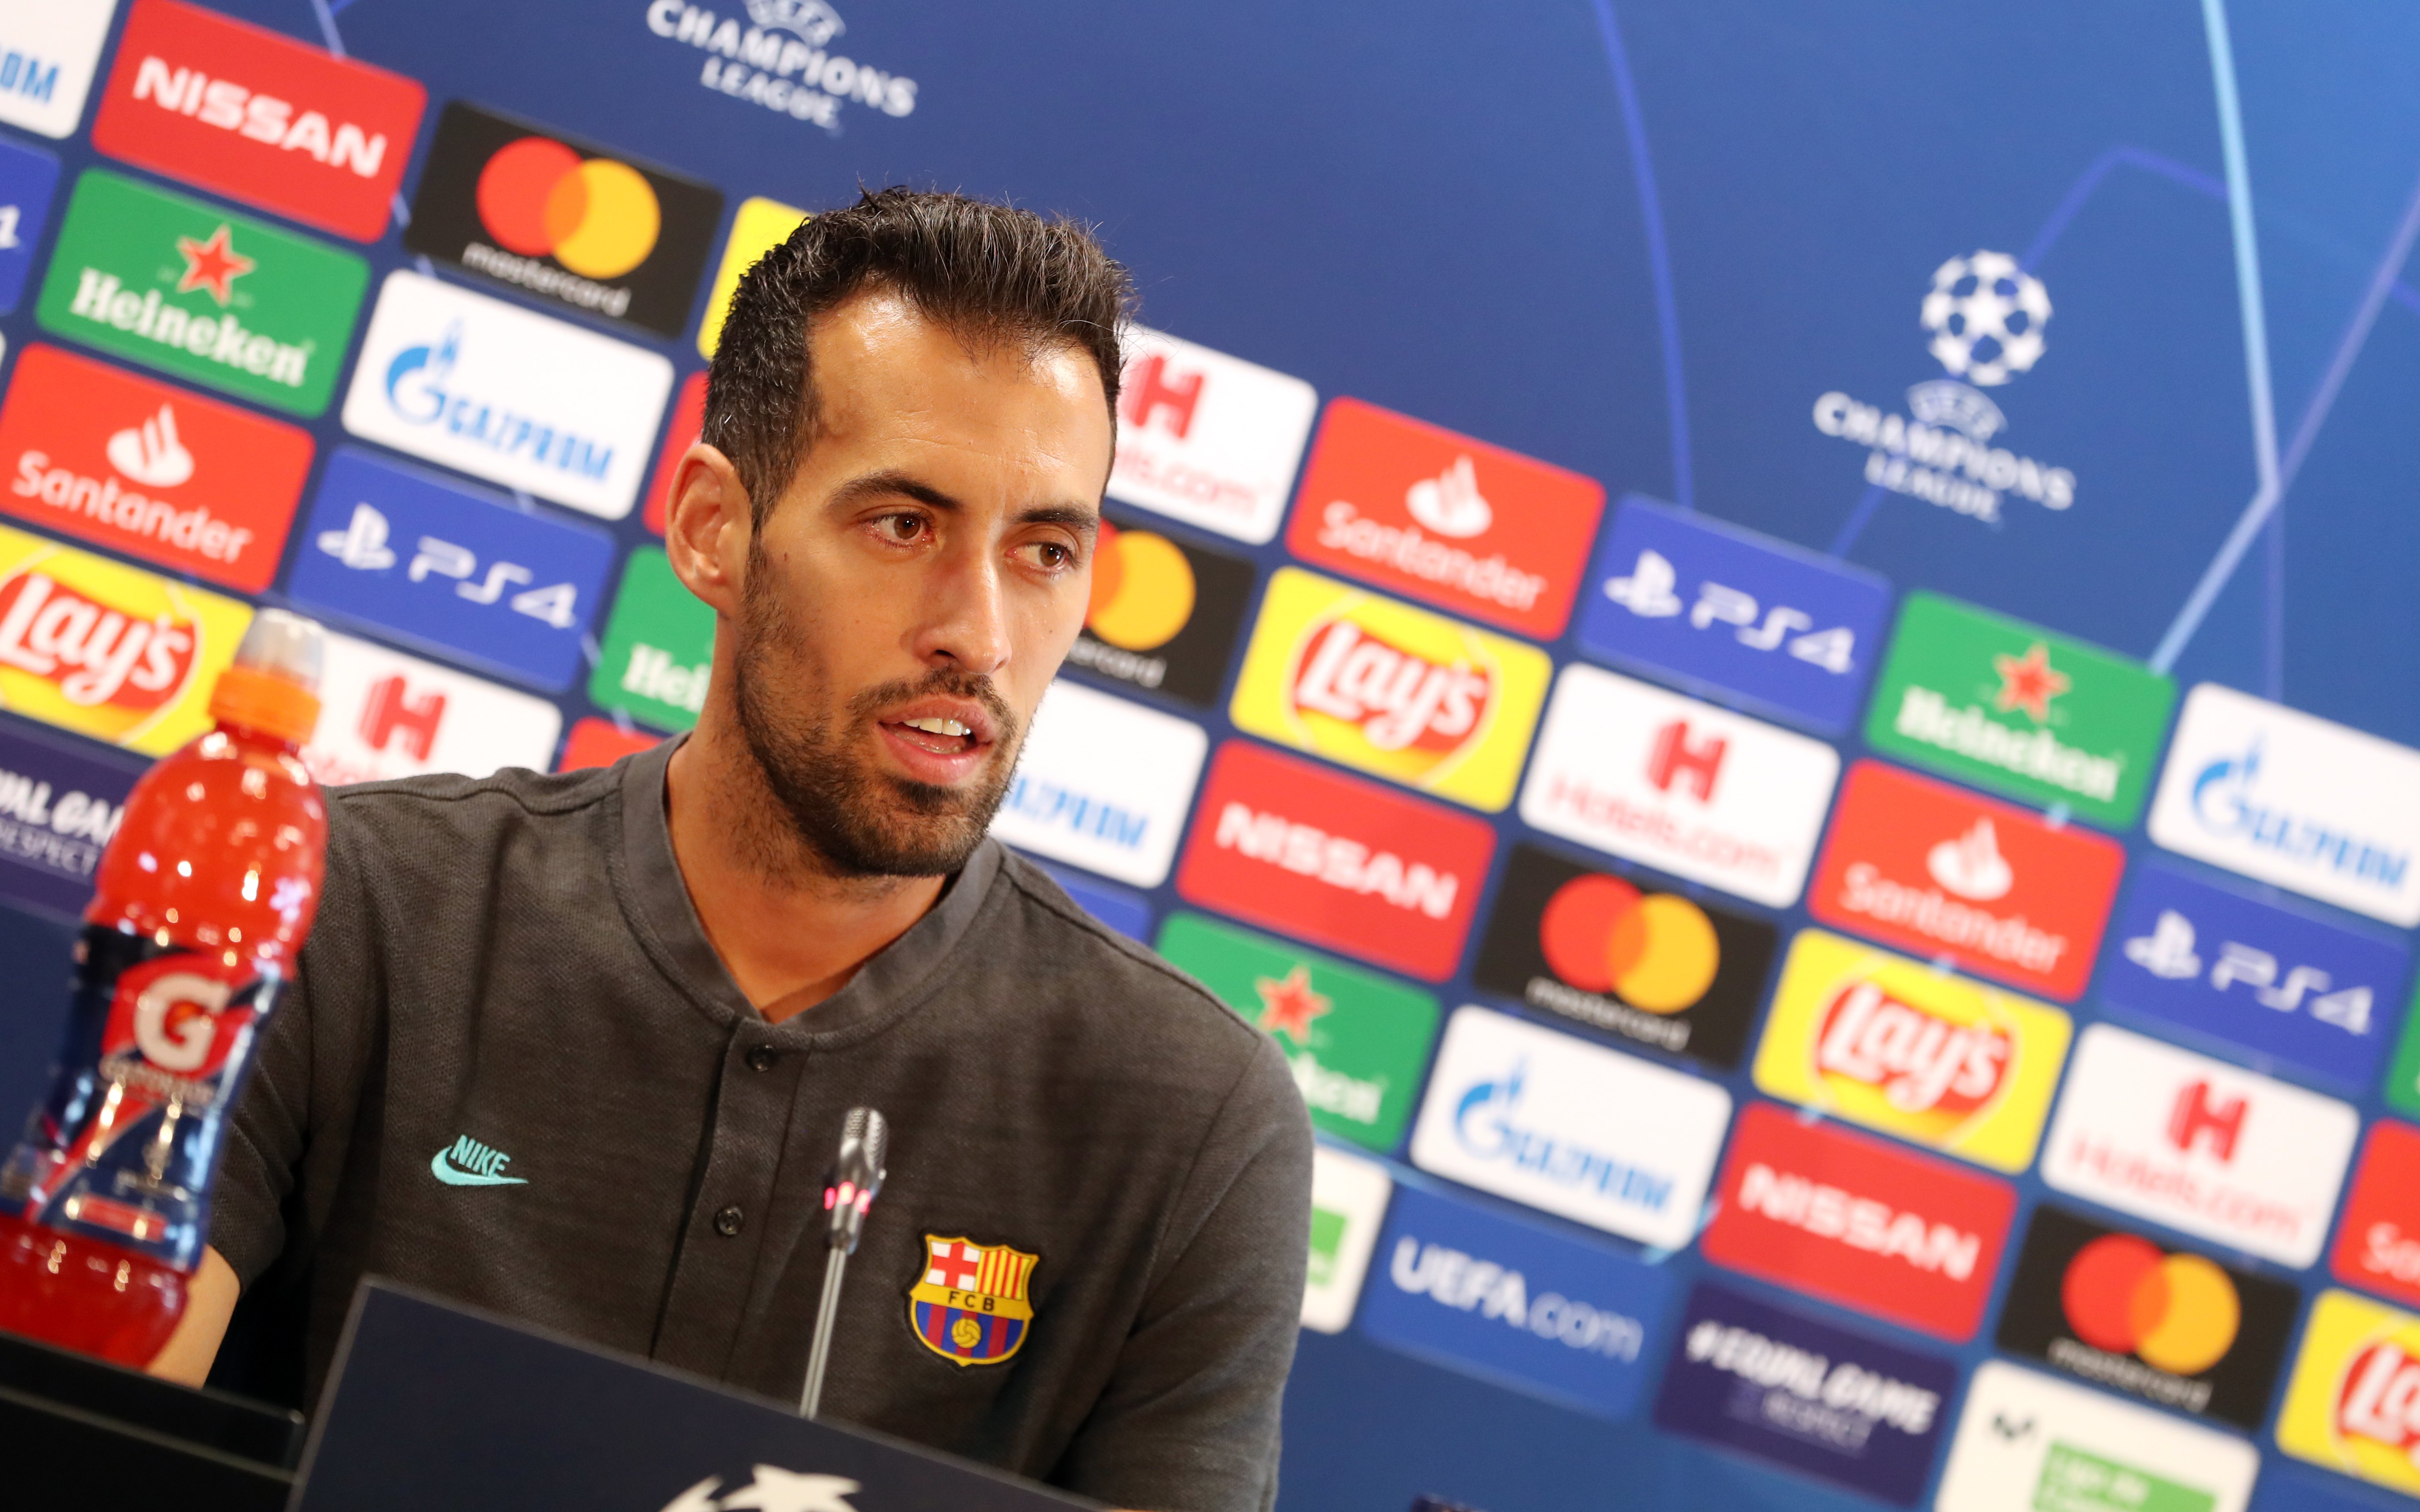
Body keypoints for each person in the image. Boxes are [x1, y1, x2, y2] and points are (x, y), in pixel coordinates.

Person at [156, 187, 1314, 1512]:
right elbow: (84, 1421)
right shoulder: (345, 908)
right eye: (903, 525)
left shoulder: (1196, 1120)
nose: (981, 634)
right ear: (716, 529)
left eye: (1044, 550)